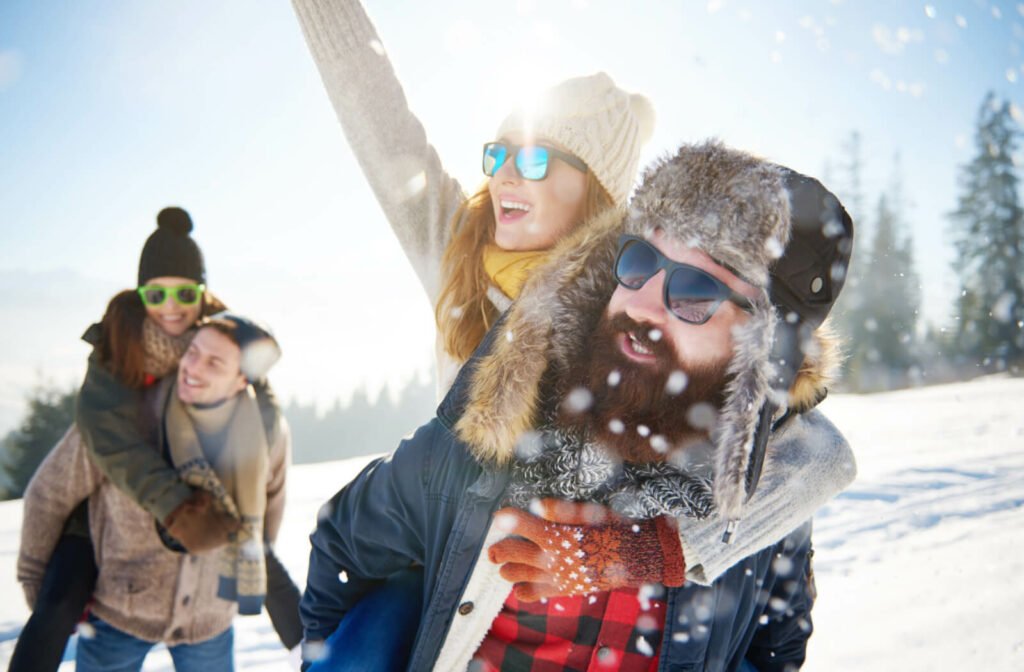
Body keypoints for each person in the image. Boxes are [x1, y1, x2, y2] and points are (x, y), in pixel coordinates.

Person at [290, 0, 852, 592]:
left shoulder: (630, 294)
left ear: (597, 186)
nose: (504, 174)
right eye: (497, 155)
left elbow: (815, 459)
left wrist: (647, 553)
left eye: (533, 158)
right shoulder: (459, 255)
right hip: (455, 557)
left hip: (564, 592)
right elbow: (379, 121)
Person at [300, 140, 856, 671]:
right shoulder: (504, 419)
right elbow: (343, 546)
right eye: (639, 263)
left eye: (694, 292)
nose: (640, 304)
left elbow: (777, 642)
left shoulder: (774, 481)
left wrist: (651, 552)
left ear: (763, 348)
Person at [10, 209, 301, 672]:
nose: (170, 305)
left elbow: (269, 500)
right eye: (156, 292)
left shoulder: (254, 413)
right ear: (140, 293)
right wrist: (40, 587)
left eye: (185, 293)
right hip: (123, 608)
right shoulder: (124, 395)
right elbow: (51, 489)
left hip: (208, 618)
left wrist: (235, 564)